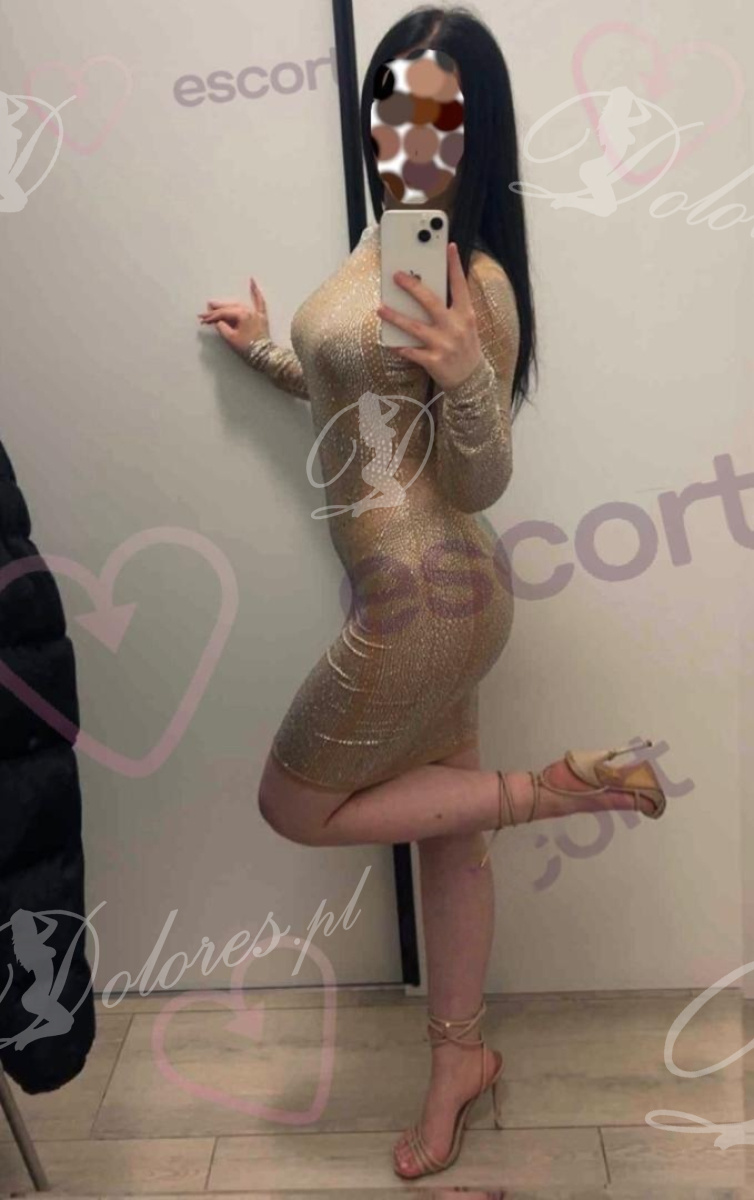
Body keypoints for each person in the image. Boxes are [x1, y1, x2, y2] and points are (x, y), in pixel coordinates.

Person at [198, 5, 667, 1181]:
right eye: (391, 107)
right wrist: (266, 346)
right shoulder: (390, 245)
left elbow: (475, 478)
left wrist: (466, 377)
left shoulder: (477, 284)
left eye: (439, 116)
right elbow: (352, 390)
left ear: (478, 130)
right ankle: (460, 1060)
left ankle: (549, 790)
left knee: (291, 805)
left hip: (429, 601)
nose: (407, 136)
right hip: (427, 596)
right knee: (447, 844)